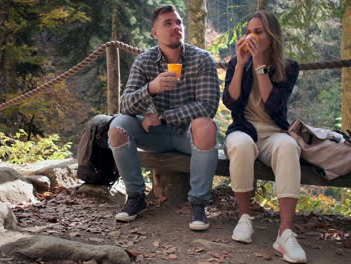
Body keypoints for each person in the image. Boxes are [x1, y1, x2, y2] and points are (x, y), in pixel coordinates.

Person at [108, 4, 220, 231]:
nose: (175, 27)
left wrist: (164, 116)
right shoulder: (145, 61)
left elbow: (208, 106)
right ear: (155, 33)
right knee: (118, 126)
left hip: (188, 135)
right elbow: (125, 104)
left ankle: (198, 204)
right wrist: (151, 88)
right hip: (154, 135)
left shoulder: (202, 59)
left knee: (206, 125)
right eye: (167, 23)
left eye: (178, 22)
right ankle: (136, 197)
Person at [222, 10, 307, 263]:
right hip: (243, 129)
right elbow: (230, 101)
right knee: (240, 145)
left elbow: (273, 106)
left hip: (274, 132)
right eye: (249, 32)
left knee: (289, 147)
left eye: (258, 32)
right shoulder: (238, 62)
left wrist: (259, 66)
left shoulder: (288, 67)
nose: (252, 36)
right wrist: (239, 63)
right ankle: (245, 218)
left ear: (272, 36)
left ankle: (285, 233)